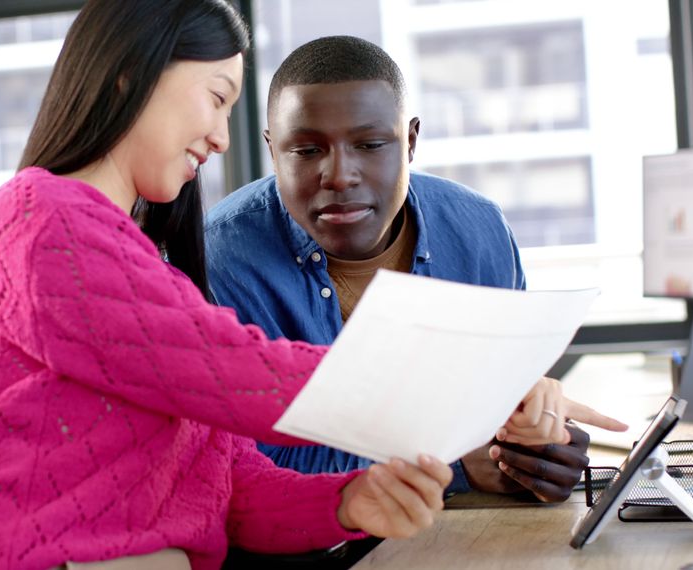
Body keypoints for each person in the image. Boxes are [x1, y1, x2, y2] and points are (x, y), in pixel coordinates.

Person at [0, 4, 620, 570]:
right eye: (216, 98)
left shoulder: (140, 264)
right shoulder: (36, 222)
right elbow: (241, 373)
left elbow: (229, 489)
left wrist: (351, 501)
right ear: (127, 79)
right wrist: (473, 391)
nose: (222, 139)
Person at [204, 35, 618, 502]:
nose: (340, 175)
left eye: (371, 143)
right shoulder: (217, 259)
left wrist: (539, 450)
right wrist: (454, 462)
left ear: (411, 141)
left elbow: (503, 406)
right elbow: (247, 465)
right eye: (305, 151)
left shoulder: (479, 231)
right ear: (272, 151)